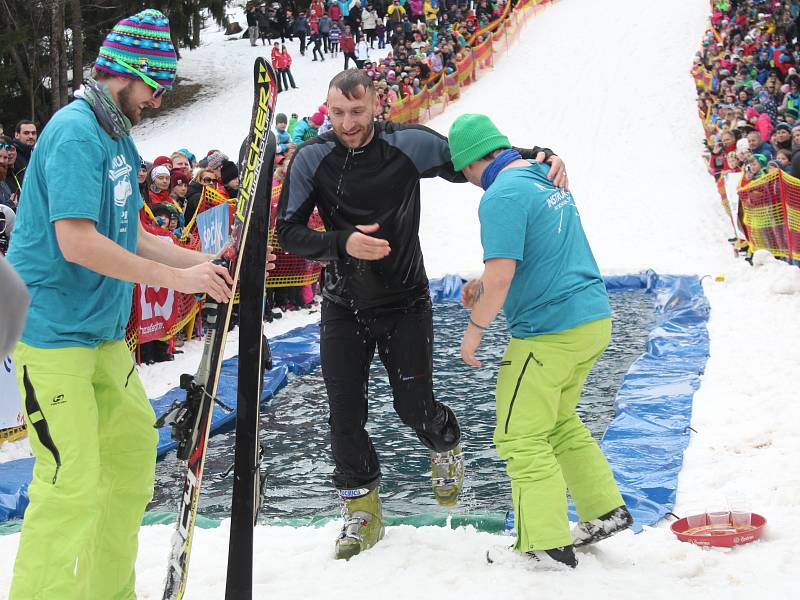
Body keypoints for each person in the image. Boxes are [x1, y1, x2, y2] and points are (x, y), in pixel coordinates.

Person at [2, 11, 257, 598]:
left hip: (102, 337)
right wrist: (174, 282)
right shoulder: (73, 133)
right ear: (127, 75)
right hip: (52, 334)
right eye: (155, 85)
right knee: (72, 481)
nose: (160, 98)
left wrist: (193, 261)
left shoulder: (116, 134)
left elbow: (127, 232)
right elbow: (77, 240)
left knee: (131, 464)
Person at [276, 69, 567, 560]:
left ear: (376, 106)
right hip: (342, 305)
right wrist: (341, 242)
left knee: (413, 407)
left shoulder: (406, 143)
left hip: (404, 302)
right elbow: (288, 232)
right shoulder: (312, 157)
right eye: (338, 113)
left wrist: (541, 156)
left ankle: (444, 441)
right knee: (344, 415)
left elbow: (480, 158)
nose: (347, 123)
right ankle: (362, 512)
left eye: (358, 112)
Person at [447, 113, 632, 569]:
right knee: (559, 421)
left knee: (519, 437)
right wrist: (483, 280)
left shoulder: (500, 195)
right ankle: (604, 510)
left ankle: (543, 544)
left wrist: (474, 332)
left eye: (463, 170)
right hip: (591, 319)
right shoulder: (541, 177)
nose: (468, 181)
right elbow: (533, 255)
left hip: (549, 333)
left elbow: (504, 274)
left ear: (473, 161)